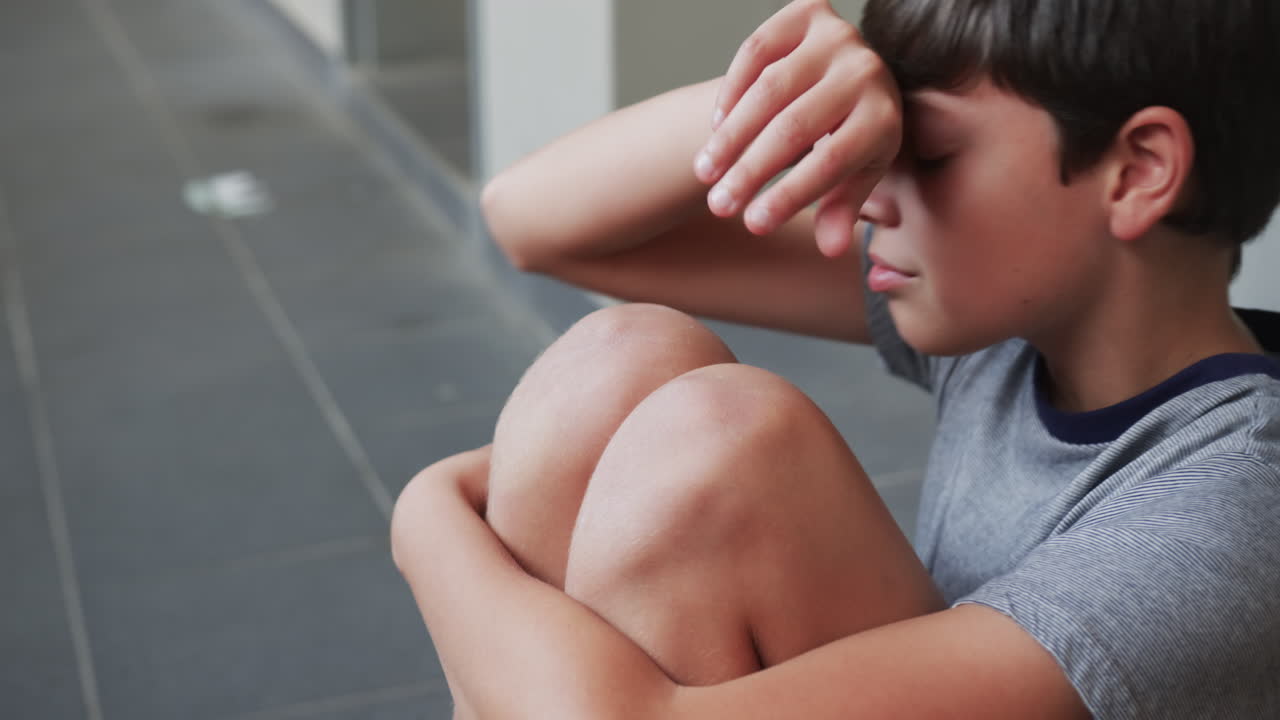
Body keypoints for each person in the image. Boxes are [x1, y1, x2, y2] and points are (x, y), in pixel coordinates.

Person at [391, 0, 1280, 717]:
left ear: (1138, 171)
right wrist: (788, 86)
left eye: (927, 154)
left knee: (720, 446)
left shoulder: (1230, 518)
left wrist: (427, 514)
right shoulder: (1012, 335)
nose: (870, 195)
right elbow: (529, 221)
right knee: (620, 357)